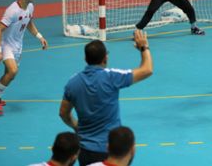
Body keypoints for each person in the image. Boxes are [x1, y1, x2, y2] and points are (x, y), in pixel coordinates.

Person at [59, 30, 153, 166]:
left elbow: (63, 113)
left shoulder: (72, 83)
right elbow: (147, 69)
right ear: (105, 58)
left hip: (85, 150)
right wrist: (144, 47)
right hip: (110, 150)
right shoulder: (111, 77)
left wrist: (76, 127)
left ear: (86, 59)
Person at [0, 0, 48, 116]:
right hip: (7, 45)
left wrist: (40, 37)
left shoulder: (30, 6)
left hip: (18, 46)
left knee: (9, 76)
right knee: (13, 71)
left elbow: (29, 23)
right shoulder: (12, 10)